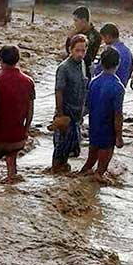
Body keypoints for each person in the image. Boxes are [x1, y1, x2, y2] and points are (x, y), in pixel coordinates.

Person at [0, 45, 35, 184]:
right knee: (11, 155)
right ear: (17, 60)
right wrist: (26, 130)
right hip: (17, 139)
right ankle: (11, 175)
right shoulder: (28, 81)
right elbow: (30, 110)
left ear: (1, 61)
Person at [79, 47, 125, 183]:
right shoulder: (118, 87)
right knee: (100, 170)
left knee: (89, 163)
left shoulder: (94, 82)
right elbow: (118, 115)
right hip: (107, 130)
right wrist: (119, 136)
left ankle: (84, 175)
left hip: (94, 127)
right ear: (118, 63)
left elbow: (87, 106)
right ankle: (98, 176)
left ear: (101, 63)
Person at [53, 35, 88, 172]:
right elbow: (58, 92)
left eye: (83, 51)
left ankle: (63, 169)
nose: (80, 54)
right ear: (70, 50)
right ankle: (56, 170)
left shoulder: (83, 65)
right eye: (77, 50)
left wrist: (82, 112)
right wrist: (60, 115)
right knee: (60, 147)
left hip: (77, 113)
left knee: (71, 148)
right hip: (65, 112)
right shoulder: (64, 68)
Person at [65, 6, 100, 75]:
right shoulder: (77, 32)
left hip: (84, 71)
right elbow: (69, 50)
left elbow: (87, 58)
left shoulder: (94, 36)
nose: (74, 24)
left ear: (83, 21)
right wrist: (69, 38)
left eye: (76, 21)